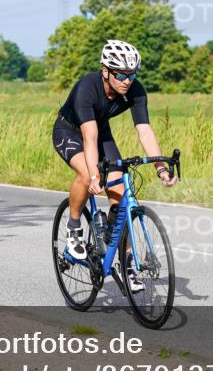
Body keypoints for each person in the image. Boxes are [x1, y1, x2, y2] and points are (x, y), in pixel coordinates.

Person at [52, 40, 177, 292]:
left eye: (132, 75)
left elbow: (144, 132)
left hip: (102, 131)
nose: (126, 81)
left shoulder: (135, 90)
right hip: (71, 131)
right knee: (88, 176)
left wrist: (161, 168)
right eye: (120, 74)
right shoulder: (87, 87)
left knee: (122, 200)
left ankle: (127, 262)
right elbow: (89, 137)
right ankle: (74, 227)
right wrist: (95, 174)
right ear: (105, 71)